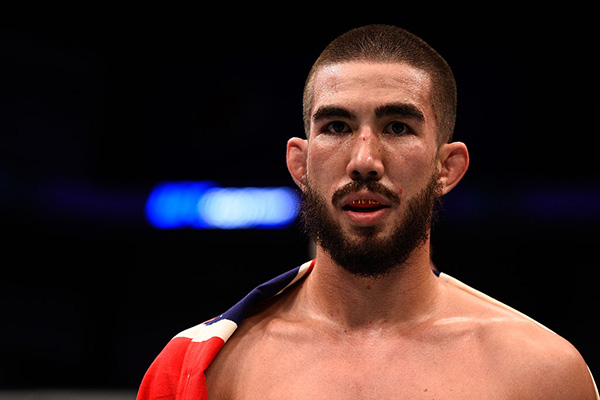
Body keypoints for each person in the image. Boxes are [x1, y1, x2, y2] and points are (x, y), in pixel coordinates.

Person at [137, 24, 599, 399]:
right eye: (336, 126)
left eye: (397, 126)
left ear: (447, 167)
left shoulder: (541, 373)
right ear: (300, 164)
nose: (363, 161)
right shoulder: (199, 368)